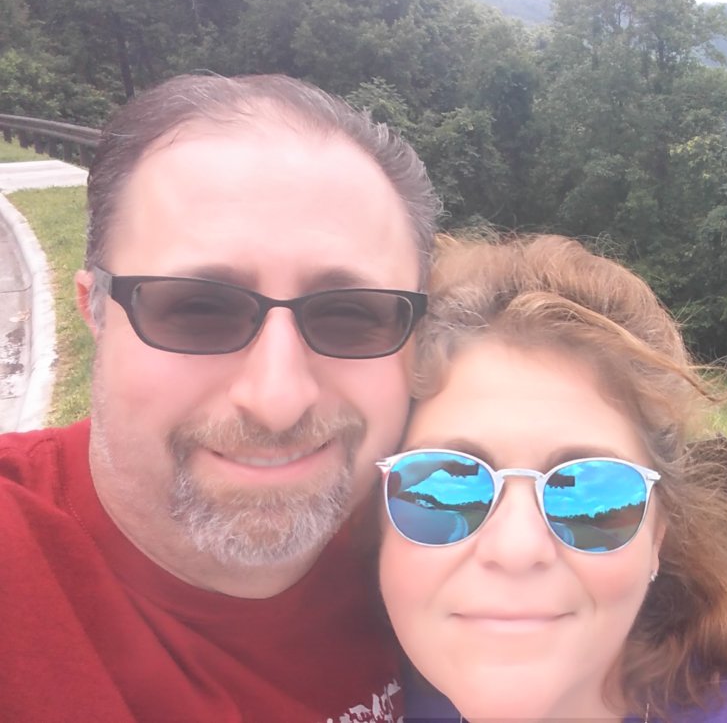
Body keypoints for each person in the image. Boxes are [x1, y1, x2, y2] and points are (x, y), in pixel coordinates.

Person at [0, 73, 438, 720]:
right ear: (95, 311)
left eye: (351, 315)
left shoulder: (453, 542)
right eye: (198, 310)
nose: (277, 399)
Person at [379, 234, 727, 722]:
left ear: (658, 537)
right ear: (374, 524)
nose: (516, 550)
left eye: (591, 494)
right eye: (445, 487)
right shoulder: (364, 688)